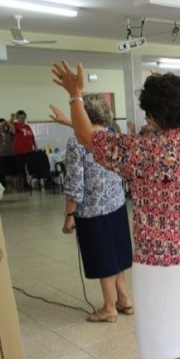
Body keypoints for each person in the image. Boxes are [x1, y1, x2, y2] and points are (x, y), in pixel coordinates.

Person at [51, 61, 180, 359]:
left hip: (159, 261)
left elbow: (87, 137)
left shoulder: (140, 151)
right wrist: (172, 99)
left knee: (167, 337)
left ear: (152, 117)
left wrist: (75, 95)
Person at [50, 94, 133, 323]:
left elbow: (75, 184)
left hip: (92, 210)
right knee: (116, 254)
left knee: (103, 257)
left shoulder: (76, 143)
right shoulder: (112, 136)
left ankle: (109, 308)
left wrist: (69, 216)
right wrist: (69, 121)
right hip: (116, 205)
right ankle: (124, 299)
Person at [12, 110, 37, 191]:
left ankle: (26, 183)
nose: (22, 119)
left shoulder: (27, 127)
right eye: (20, 117)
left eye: (23, 117)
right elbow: (9, 124)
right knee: (20, 169)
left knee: (28, 168)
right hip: (19, 151)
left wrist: (35, 146)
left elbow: (32, 138)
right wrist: (12, 119)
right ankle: (18, 186)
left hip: (29, 151)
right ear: (17, 118)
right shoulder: (15, 125)